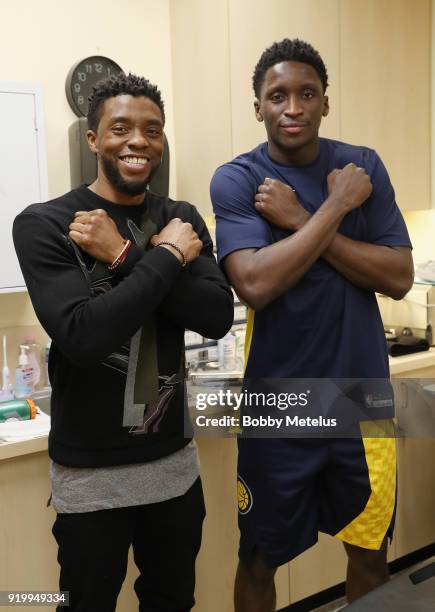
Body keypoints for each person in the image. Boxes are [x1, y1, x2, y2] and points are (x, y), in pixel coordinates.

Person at [13, 72, 233, 612]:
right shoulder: (47, 224)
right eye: (120, 128)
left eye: (152, 130)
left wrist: (125, 256)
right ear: (93, 139)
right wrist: (161, 258)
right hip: (90, 474)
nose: (138, 141)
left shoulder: (179, 217)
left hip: (173, 465)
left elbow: (215, 315)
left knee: (172, 600)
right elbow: (84, 335)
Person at [210, 38, 414, 611]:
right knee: (257, 558)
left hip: (360, 397)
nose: (292, 107)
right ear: (258, 107)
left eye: (307, 94)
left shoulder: (361, 166)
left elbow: (397, 275)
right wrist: (332, 210)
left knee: (370, 550)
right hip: (279, 403)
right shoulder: (237, 179)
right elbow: (254, 284)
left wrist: (300, 218)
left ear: (326, 102)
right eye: (277, 96)